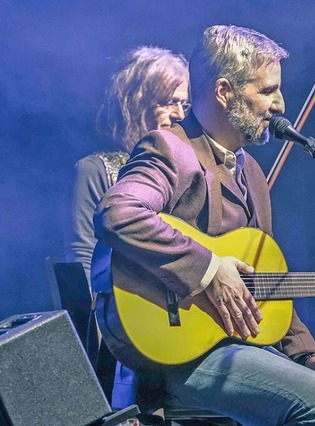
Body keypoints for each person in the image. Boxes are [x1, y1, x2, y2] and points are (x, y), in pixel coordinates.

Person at [93, 25, 315, 425]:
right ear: (224, 91)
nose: (280, 104)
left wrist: (310, 360)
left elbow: (268, 284)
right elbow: (119, 211)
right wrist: (208, 269)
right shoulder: (170, 148)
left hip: (236, 345)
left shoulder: (251, 172)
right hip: (177, 355)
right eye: (267, 90)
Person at [63, 46, 189, 408]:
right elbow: (83, 258)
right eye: (167, 102)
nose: (179, 115)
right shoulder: (95, 169)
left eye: (184, 104)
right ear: (133, 101)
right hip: (122, 330)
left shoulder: (188, 170)